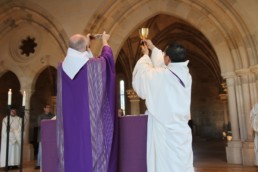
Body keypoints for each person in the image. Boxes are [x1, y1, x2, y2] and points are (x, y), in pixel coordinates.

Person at [56, 31, 117, 172]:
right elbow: (106, 61)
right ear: (84, 49)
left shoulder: (61, 68)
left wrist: (86, 46)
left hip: (69, 129)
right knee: (93, 152)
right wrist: (105, 43)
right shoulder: (93, 66)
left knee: (70, 155)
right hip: (90, 129)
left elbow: (79, 59)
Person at [132, 40, 194, 172]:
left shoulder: (161, 75)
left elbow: (142, 78)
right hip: (181, 131)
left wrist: (145, 56)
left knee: (164, 165)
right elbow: (166, 67)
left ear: (168, 59)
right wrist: (154, 48)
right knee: (181, 165)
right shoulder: (185, 74)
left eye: (164, 55)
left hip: (163, 131)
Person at [35, 104, 55, 169]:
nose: (48, 109)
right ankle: (38, 164)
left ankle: (49, 163)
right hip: (42, 135)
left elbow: (55, 125)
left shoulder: (53, 116)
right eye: (47, 107)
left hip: (51, 136)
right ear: (44, 109)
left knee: (50, 150)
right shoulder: (40, 116)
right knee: (41, 150)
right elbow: (39, 124)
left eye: (49, 107)